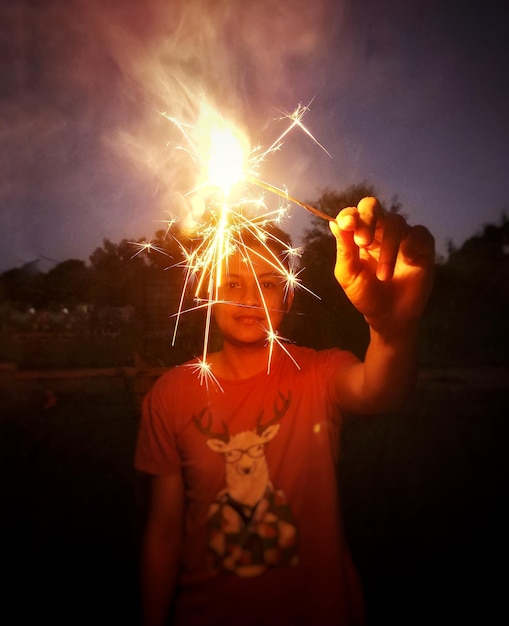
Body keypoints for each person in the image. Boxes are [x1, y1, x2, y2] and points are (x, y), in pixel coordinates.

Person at [134, 197, 435, 626]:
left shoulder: (319, 371)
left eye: (269, 282)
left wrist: (393, 327)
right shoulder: (169, 395)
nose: (251, 298)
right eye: (232, 283)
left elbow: (383, 392)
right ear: (207, 294)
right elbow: (164, 532)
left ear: (289, 296)